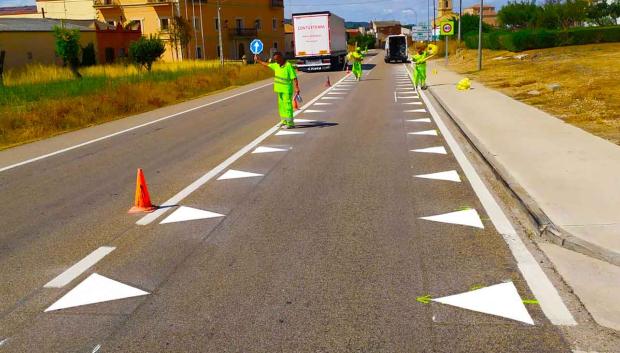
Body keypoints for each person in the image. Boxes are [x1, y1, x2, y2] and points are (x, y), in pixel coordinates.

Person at [255, 52, 301, 129]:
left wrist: (297, 87)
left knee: (287, 106)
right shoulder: (276, 65)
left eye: (277, 59)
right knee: (281, 106)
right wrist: (258, 60)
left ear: (281, 57)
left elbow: (294, 77)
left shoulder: (288, 66)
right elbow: (266, 64)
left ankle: (290, 123)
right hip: (279, 90)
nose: (276, 61)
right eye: (275, 59)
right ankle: (284, 121)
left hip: (287, 89)